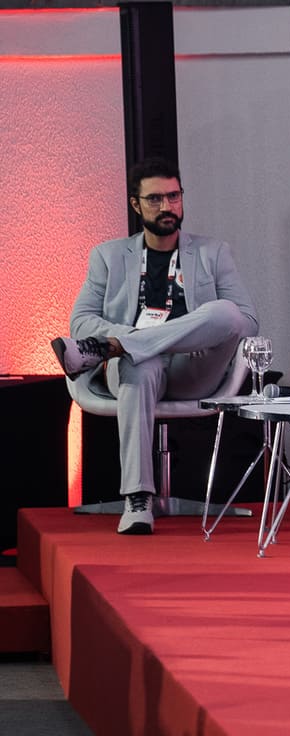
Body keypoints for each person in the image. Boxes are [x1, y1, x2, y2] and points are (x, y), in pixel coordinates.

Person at [50, 157, 259, 535]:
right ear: (136, 204)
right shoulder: (109, 256)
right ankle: (138, 498)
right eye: (155, 199)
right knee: (140, 362)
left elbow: (246, 320)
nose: (167, 206)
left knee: (225, 312)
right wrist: (141, 343)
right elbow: (80, 322)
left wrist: (125, 341)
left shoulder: (213, 252)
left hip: (192, 368)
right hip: (136, 370)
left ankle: (117, 346)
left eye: (174, 196)